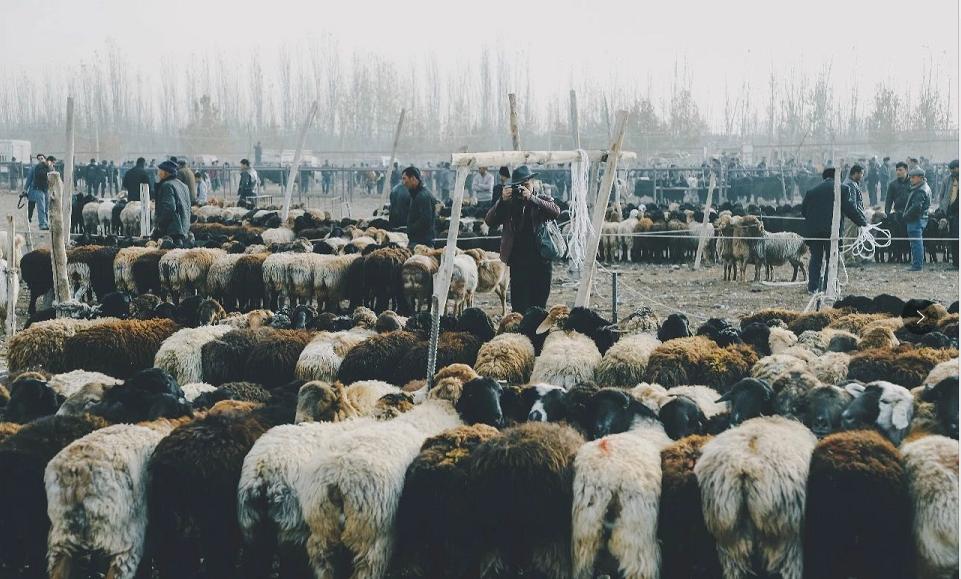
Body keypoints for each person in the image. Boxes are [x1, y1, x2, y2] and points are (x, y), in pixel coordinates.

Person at [484, 165, 561, 313]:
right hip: (518, 264)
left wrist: (532, 198)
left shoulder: (540, 199)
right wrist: (501, 200)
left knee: (539, 307)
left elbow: (556, 211)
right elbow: (489, 221)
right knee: (519, 308)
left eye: (526, 185)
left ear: (533, 184)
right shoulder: (509, 203)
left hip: (541, 262)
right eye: (519, 186)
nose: (522, 189)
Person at [801, 167, 867, 294]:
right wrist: (862, 223)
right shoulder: (842, 189)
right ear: (838, 177)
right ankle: (828, 287)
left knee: (816, 258)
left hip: (814, 231)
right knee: (832, 258)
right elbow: (850, 210)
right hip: (832, 232)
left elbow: (804, 211)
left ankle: (813, 287)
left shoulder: (812, 191)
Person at [152, 160, 190, 246]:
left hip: (172, 231)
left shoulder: (167, 185)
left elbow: (169, 208)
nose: (158, 173)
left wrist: (159, 224)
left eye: (160, 171)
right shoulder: (183, 185)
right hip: (184, 229)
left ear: (166, 172)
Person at [902, 168, 932, 272]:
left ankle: (917, 265)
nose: (911, 179)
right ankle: (917, 264)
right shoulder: (924, 187)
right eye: (910, 177)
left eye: (913, 177)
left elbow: (916, 207)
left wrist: (905, 216)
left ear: (921, 177)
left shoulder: (920, 190)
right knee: (916, 242)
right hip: (921, 219)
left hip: (915, 219)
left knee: (916, 243)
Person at [403, 166, 436, 248]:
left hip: (422, 243)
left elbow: (426, 220)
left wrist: (410, 229)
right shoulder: (416, 194)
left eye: (404, 179)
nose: (403, 182)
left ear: (413, 178)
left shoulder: (423, 196)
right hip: (418, 240)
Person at [842, 164, 867, 264]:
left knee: (856, 237)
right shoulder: (850, 185)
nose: (862, 176)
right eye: (861, 174)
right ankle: (849, 258)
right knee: (849, 237)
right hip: (852, 216)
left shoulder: (852, 183)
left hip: (853, 216)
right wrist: (857, 215)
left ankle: (856, 257)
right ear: (856, 173)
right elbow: (852, 203)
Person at [939, 160, 959, 268]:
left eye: (955, 168)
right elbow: (942, 196)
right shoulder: (947, 180)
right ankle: (956, 262)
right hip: (951, 213)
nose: (953, 171)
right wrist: (943, 209)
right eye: (951, 169)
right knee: (953, 238)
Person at [29, 155, 55, 231]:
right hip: (38, 189)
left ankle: (46, 223)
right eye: (52, 163)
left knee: (46, 208)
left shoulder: (50, 168)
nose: (52, 164)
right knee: (41, 208)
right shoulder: (39, 166)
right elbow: (42, 175)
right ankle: (42, 224)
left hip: (46, 190)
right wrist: (49, 168)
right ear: (48, 161)